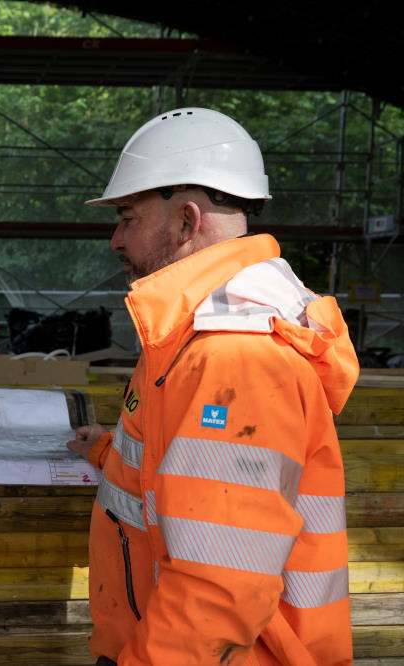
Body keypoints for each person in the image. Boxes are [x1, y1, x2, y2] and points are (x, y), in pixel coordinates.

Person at [67, 108, 359, 665]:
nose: (115, 239)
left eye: (127, 217)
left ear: (186, 220)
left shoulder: (235, 357)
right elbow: (189, 479)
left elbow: (218, 587)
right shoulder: (191, 337)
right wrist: (106, 452)